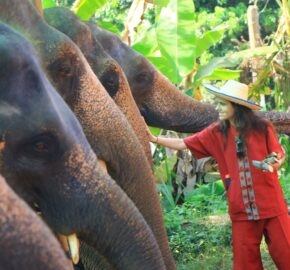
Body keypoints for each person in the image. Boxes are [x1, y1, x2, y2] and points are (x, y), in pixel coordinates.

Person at [147, 80, 290, 270]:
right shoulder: (216, 133)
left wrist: (274, 162)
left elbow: (278, 153)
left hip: (271, 203)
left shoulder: (262, 127)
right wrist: (154, 139)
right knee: (246, 263)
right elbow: (185, 144)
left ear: (237, 107)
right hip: (241, 208)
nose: (218, 107)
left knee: (286, 252)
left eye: (223, 103)